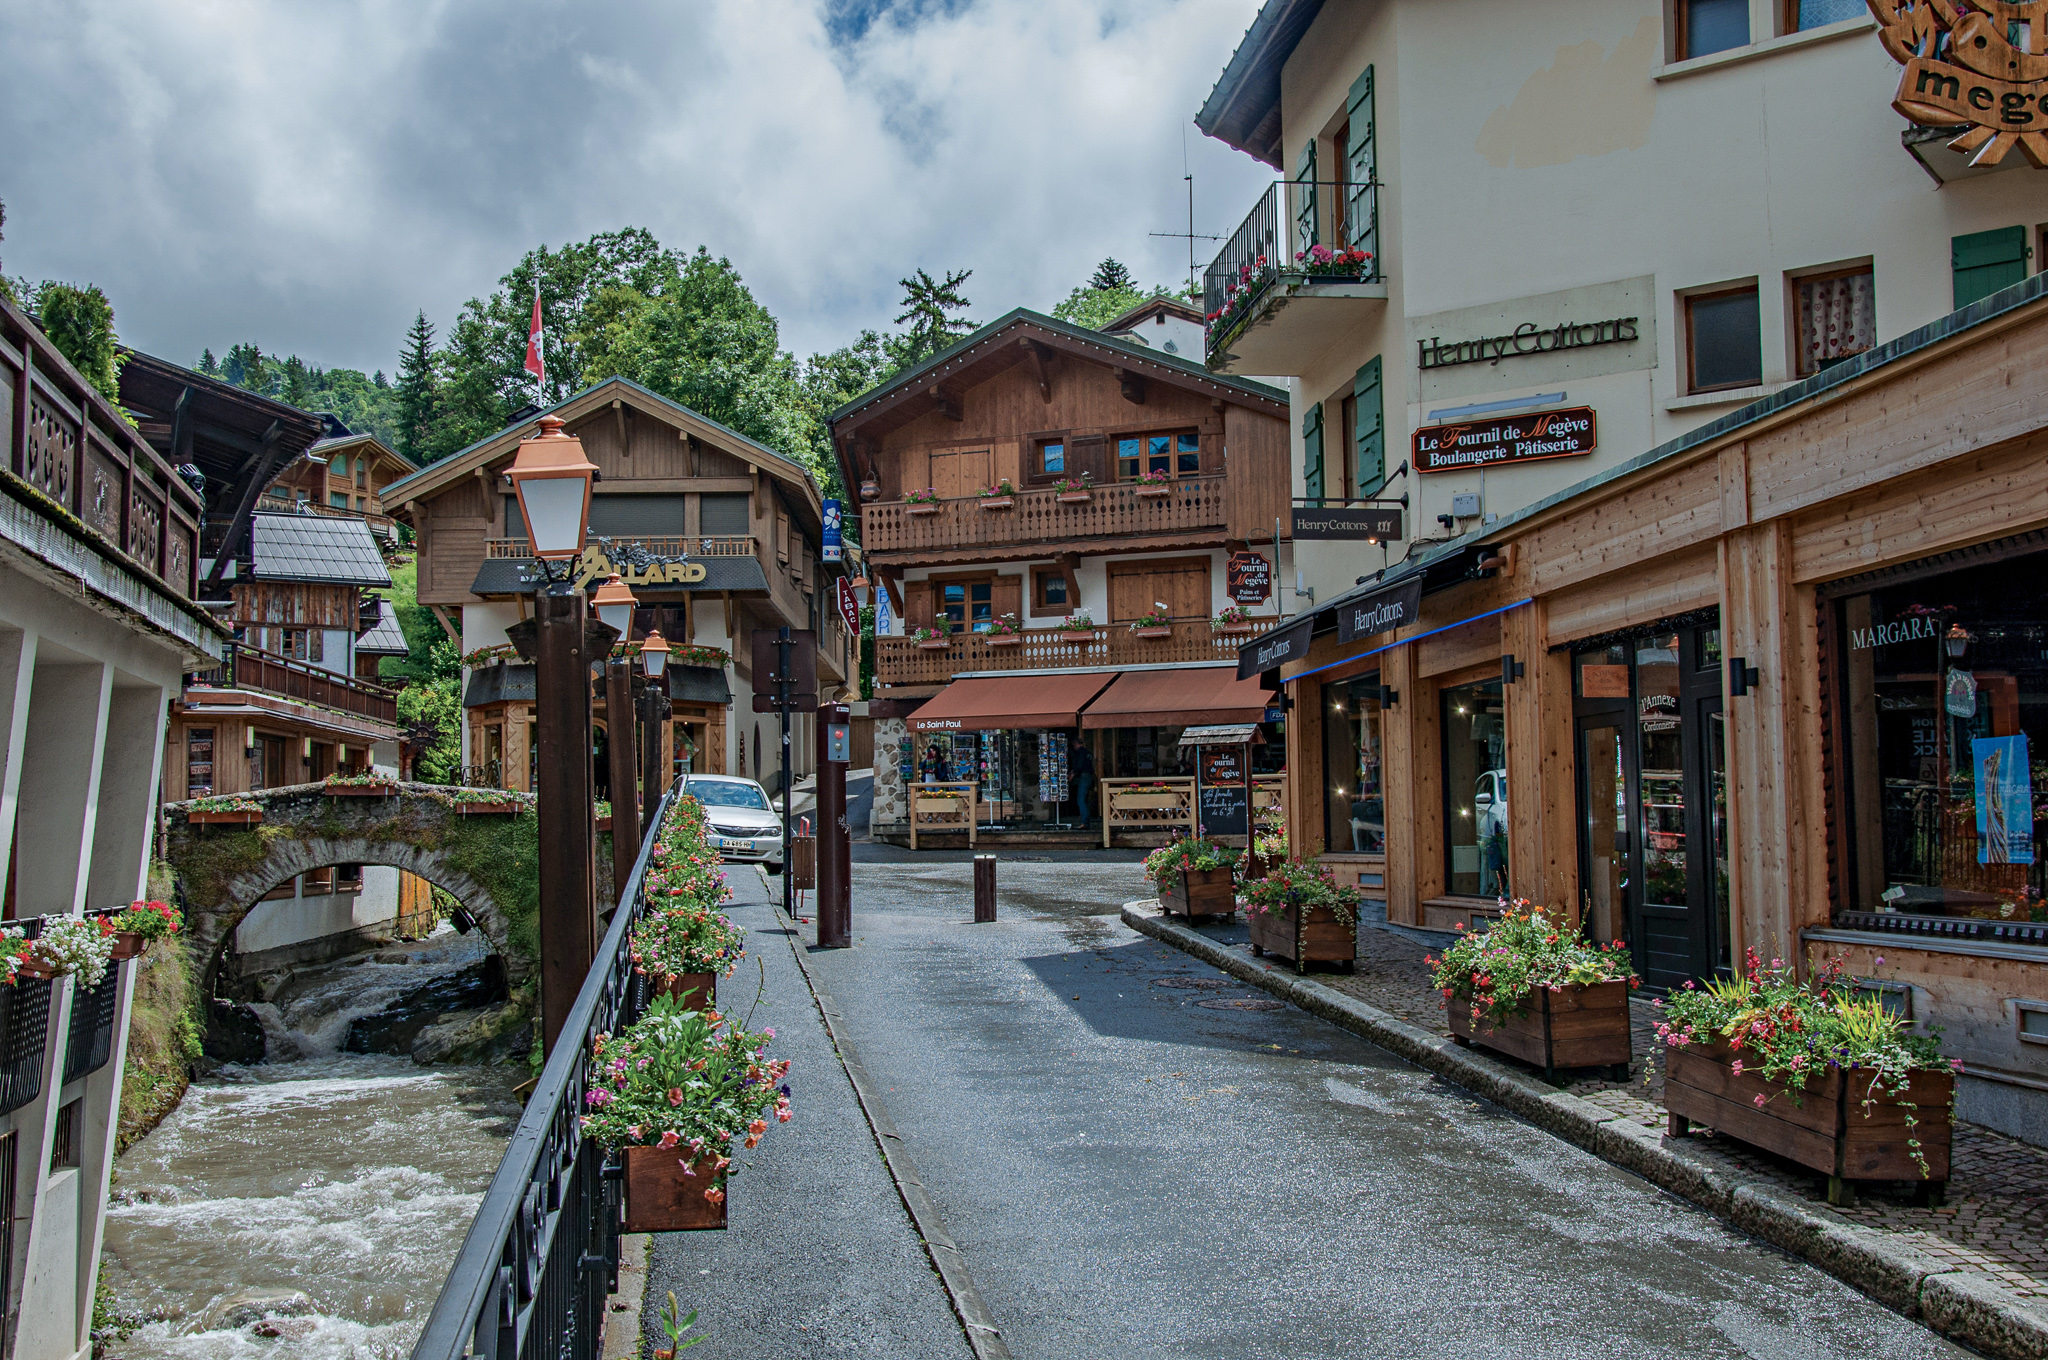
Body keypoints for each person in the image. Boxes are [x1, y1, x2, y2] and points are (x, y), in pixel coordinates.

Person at [1069, 738, 1096, 823]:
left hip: (1084, 777)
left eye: (1074, 745)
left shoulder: (1080, 753)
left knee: (1081, 799)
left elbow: (1079, 766)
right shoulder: (1088, 752)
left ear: (1076, 744)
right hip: (1089, 776)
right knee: (1085, 799)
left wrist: (1073, 773)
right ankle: (1085, 819)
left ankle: (1085, 821)